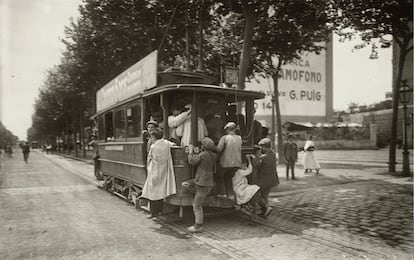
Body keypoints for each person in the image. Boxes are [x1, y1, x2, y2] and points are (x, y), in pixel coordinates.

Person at [141, 128, 177, 219]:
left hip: (154, 169)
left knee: (153, 192)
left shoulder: (153, 147)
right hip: (164, 169)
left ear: (153, 137)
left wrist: (148, 167)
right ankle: (160, 211)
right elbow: (174, 145)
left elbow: (150, 158)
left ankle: (153, 213)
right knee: (161, 191)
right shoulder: (166, 143)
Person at [186, 137, 217, 233]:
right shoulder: (213, 155)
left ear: (203, 146)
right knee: (186, 185)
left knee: (196, 205)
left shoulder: (203, 155)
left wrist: (191, 151)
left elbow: (192, 161)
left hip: (202, 182)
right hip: (208, 182)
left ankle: (198, 226)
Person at [233, 154, 273, 218]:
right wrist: (249, 160)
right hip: (239, 189)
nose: (245, 167)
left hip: (242, 187)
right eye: (244, 165)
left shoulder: (238, 171)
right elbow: (250, 170)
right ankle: (262, 207)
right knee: (253, 190)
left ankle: (262, 207)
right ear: (240, 166)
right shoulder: (240, 172)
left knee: (254, 190)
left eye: (246, 165)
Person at [214, 122, 242, 200]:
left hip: (226, 162)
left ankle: (222, 193)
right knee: (229, 178)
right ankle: (230, 194)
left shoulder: (225, 138)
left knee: (220, 176)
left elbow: (219, 149)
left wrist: (211, 146)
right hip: (236, 163)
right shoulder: (239, 138)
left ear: (226, 130)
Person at [253, 138, 279, 214]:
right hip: (271, 179)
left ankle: (266, 208)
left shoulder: (264, 156)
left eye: (261, 146)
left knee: (255, 194)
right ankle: (264, 211)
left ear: (264, 146)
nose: (260, 148)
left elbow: (256, 165)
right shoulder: (273, 153)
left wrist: (255, 157)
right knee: (265, 195)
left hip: (263, 179)